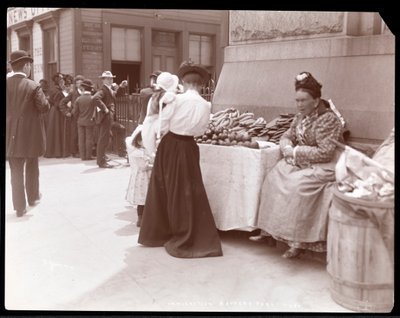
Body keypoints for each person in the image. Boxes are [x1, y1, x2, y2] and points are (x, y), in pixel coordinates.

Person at [251, 71, 344, 258]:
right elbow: (287, 135)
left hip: (326, 163)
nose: (299, 105)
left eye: (303, 100)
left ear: (316, 101)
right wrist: (286, 146)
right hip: (301, 160)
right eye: (297, 100)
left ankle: (297, 242)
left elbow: (325, 152)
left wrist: (295, 152)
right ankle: (270, 232)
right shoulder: (301, 116)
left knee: (298, 186)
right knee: (273, 178)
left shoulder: (329, 119)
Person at [138, 61, 223, 258]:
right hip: (190, 147)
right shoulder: (206, 104)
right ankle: (188, 229)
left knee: (165, 186)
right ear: (201, 85)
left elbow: (163, 124)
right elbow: (202, 129)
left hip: (171, 145)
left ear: (184, 83)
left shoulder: (176, 100)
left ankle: (160, 232)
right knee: (188, 189)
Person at [6, 50, 50, 217]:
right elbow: (44, 107)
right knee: (32, 167)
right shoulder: (33, 85)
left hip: (10, 136)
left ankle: (19, 207)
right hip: (30, 136)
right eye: (29, 65)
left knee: (15, 171)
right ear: (25, 66)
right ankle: (32, 197)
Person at [92, 71, 128, 168]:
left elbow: (116, 95)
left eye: (111, 78)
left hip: (110, 118)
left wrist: (121, 86)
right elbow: (95, 98)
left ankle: (122, 152)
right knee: (104, 139)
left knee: (121, 129)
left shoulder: (109, 89)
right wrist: (105, 109)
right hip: (106, 117)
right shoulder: (103, 90)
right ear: (103, 80)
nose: (110, 80)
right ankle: (101, 161)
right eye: (107, 78)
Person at [141, 71, 180, 155]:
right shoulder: (167, 96)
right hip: (160, 128)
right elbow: (167, 115)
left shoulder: (155, 94)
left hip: (151, 127)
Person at [125, 125, 153, 227]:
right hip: (142, 179)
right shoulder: (137, 153)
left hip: (147, 178)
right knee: (142, 200)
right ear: (138, 141)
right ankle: (140, 218)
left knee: (147, 198)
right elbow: (143, 167)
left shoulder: (146, 151)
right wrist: (154, 166)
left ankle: (147, 217)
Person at [44, 72, 71, 158]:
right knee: (57, 131)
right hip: (57, 112)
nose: (63, 82)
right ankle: (58, 152)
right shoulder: (57, 91)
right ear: (59, 82)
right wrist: (67, 106)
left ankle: (54, 151)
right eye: (62, 80)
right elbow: (58, 103)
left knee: (54, 131)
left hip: (53, 112)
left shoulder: (54, 89)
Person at [60, 74, 85, 158]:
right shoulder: (73, 93)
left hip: (85, 116)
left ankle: (83, 151)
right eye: (77, 83)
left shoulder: (87, 92)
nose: (79, 85)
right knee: (75, 134)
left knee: (84, 134)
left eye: (81, 83)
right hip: (75, 116)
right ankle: (74, 152)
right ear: (75, 84)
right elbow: (62, 103)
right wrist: (66, 112)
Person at [72, 79, 96, 160]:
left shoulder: (78, 99)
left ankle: (82, 156)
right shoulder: (93, 98)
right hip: (90, 121)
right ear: (90, 89)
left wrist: (78, 118)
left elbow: (74, 112)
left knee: (81, 138)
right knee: (89, 138)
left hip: (80, 121)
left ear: (83, 89)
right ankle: (88, 156)